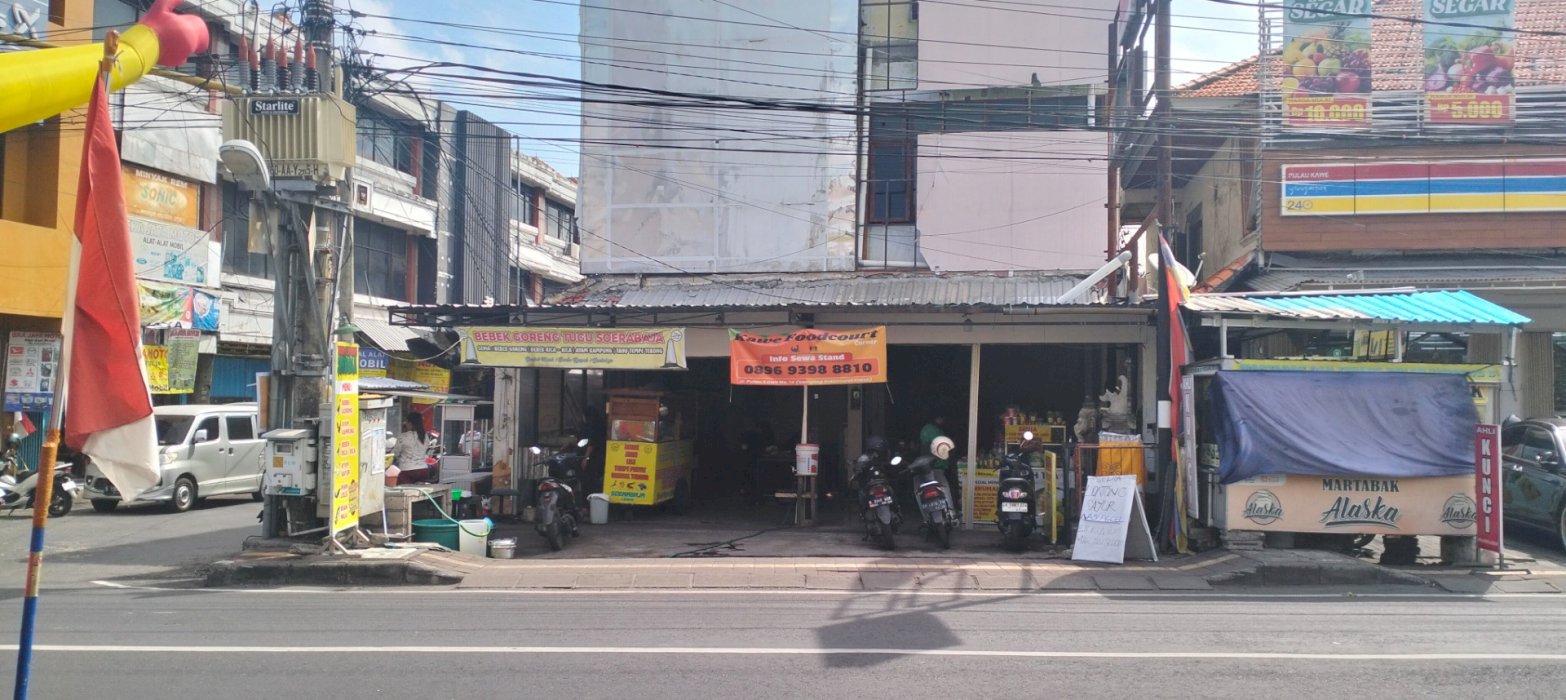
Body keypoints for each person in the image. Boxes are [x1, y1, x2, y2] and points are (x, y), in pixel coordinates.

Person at [919, 414, 961, 514]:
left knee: (943, 490)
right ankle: (950, 514)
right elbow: (926, 447)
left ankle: (949, 514)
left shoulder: (938, 430)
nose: (942, 420)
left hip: (940, 466)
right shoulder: (928, 429)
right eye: (940, 418)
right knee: (942, 490)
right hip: (932, 467)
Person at [396, 411, 431, 483]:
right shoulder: (425, 436)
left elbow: (396, 453)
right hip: (423, 469)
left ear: (410, 423)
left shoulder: (403, 437)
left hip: (407, 470)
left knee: (405, 492)